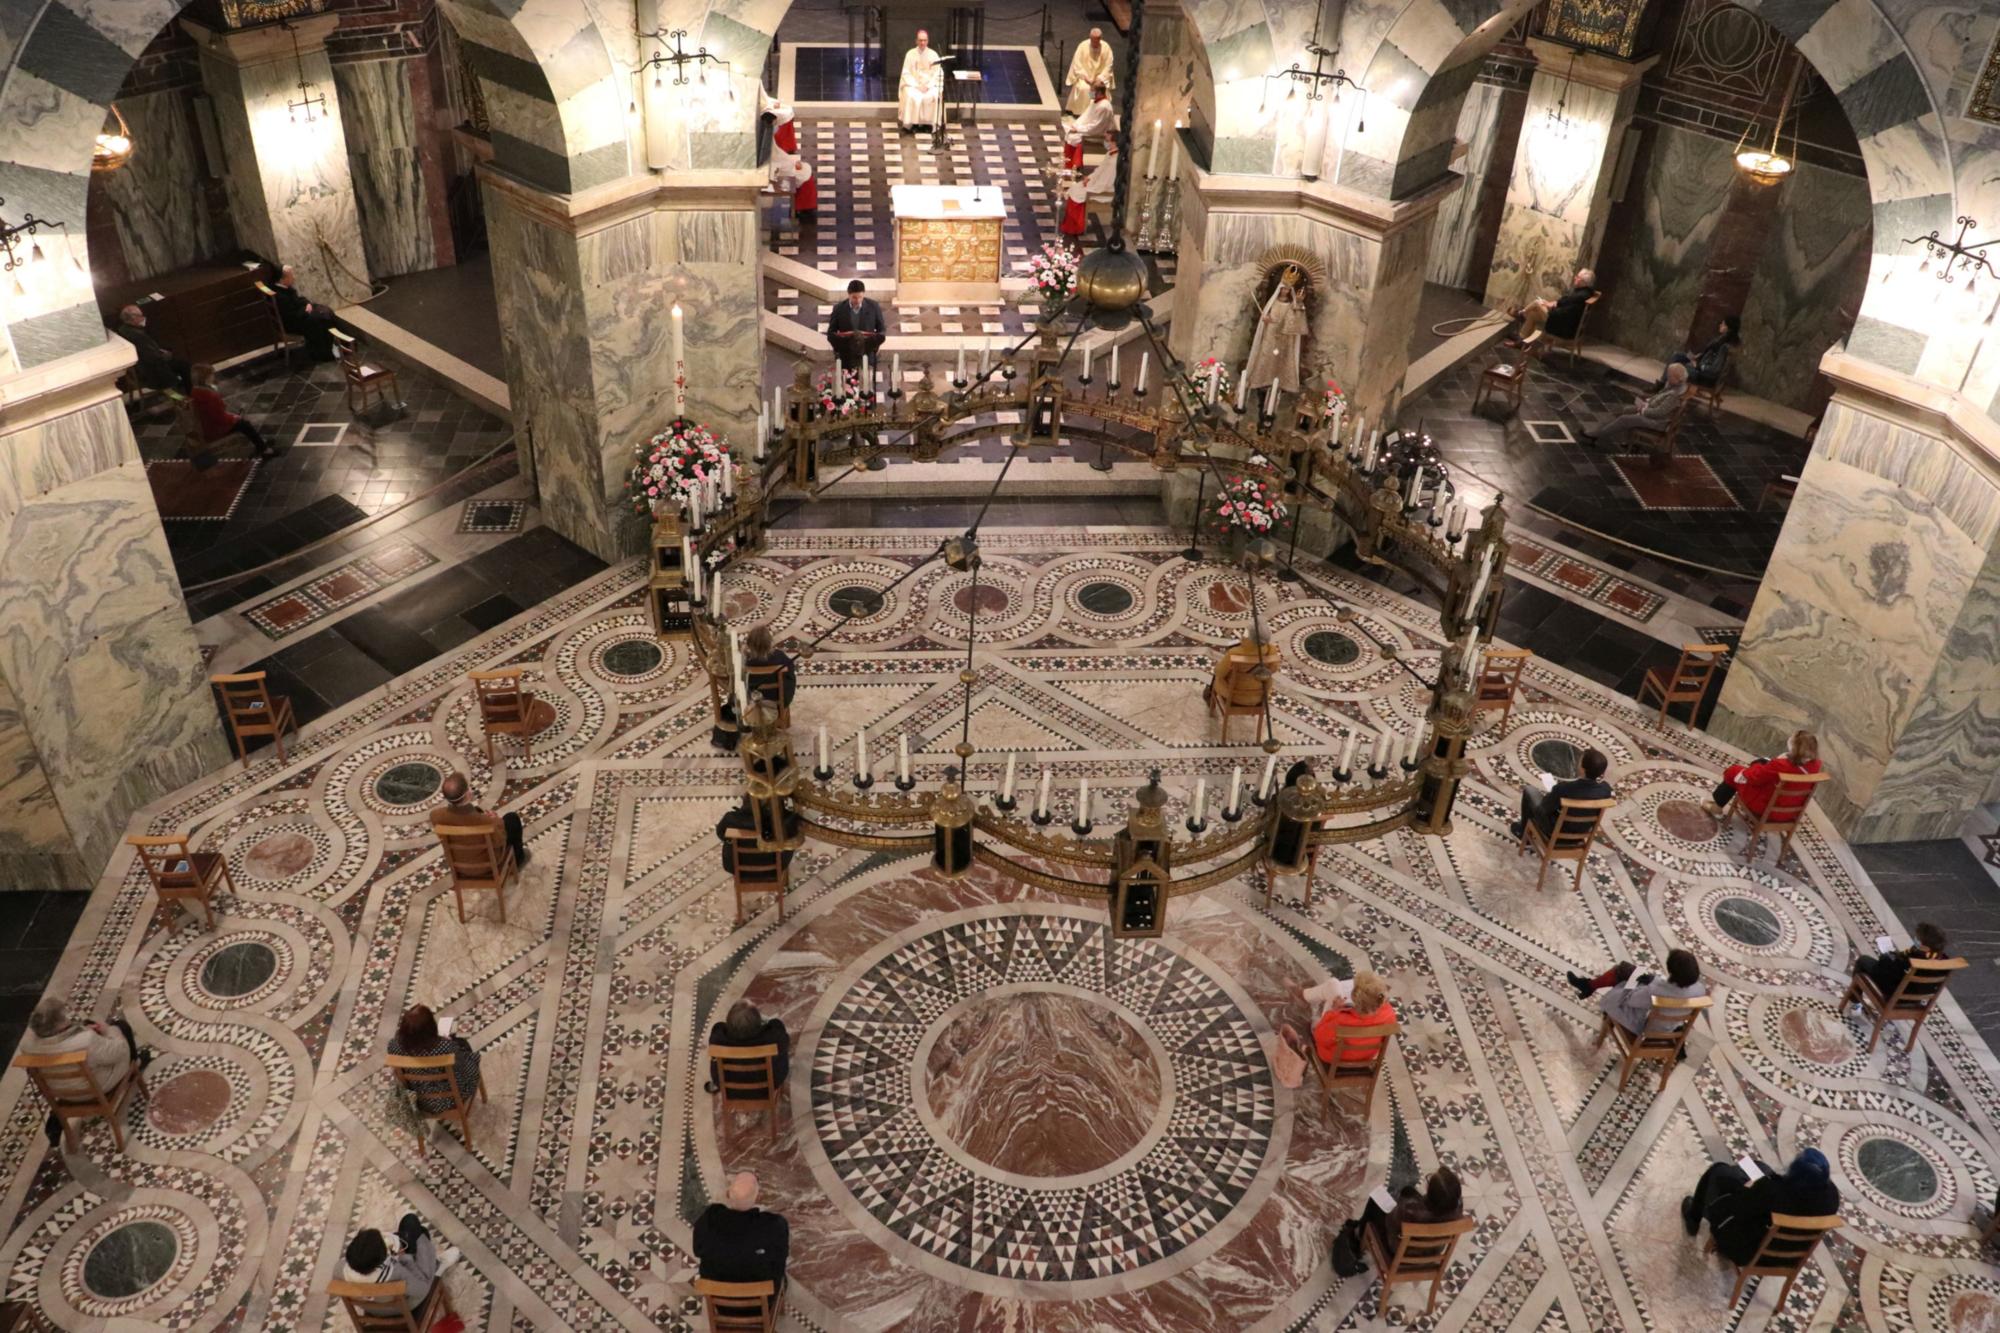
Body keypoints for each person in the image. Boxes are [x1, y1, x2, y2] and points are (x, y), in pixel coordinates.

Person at [20, 997, 149, 1145]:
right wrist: (108, 1031)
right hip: (98, 1088)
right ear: (59, 1023)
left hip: (62, 1094)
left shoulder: (27, 1047)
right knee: (121, 1027)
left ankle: (57, 1117)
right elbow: (118, 1051)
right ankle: (135, 1067)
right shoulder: (86, 1040)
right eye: (64, 1017)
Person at [1683, 1148, 1839, 1264]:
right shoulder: (1832, 1197)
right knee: (1760, 1166)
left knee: (1718, 1170)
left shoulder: (1772, 1191)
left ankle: (1693, 1217)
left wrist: (1748, 1188)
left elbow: (1739, 1207)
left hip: (1750, 1251)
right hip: (1787, 1256)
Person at [1566, 948, 1705, 1040]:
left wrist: (1641, 984)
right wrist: (1653, 981)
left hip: (1645, 1029)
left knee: (1621, 976)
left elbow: (1630, 1000)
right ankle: (1588, 986)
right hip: (1669, 1026)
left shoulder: (1654, 991)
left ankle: (1588, 986)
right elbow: (1672, 991)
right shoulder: (1699, 990)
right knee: (1626, 969)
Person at [343, 1213, 459, 1313]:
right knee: (413, 1224)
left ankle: (423, 1247)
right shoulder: (396, 1272)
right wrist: (403, 1257)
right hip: (403, 1307)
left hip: (374, 1310)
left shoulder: (342, 1270)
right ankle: (437, 1266)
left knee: (410, 1230)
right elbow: (422, 1289)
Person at [692, 1172, 790, 1289]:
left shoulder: (710, 1218)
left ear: (728, 1194)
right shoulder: (775, 1225)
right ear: (758, 1198)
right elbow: (781, 1257)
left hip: (719, 1294)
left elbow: (697, 1250)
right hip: (763, 1297)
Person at [1703, 730, 1820, 819]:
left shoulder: (1780, 765)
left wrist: (1756, 765)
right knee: (1759, 767)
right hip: (1788, 814)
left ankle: (1716, 808)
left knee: (1734, 771)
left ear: (1794, 747)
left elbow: (1754, 778)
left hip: (1765, 809)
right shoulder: (1816, 765)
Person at [388, 1003, 480, 1115]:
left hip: (419, 1100)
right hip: (451, 1099)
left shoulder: (393, 1046)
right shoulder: (445, 1047)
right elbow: (463, 1068)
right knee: (465, 1049)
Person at [1511, 746, 1611, 842]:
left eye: (1579, 761)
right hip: (1580, 834)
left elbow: (1544, 808)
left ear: (1582, 769)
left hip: (1556, 832)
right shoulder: (1605, 790)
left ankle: (1523, 833)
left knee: (1530, 791)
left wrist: (1553, 793)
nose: (1577, 763)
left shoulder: (1565, 788)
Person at [1360, 1165, 1463, 1257]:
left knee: (1375, 1202)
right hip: (1431, 1253)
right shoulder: (1457, 1209)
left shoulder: (1410, 1210)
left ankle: (1358, 1239)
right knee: (1409, 1190)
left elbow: (1390, 1222)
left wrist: (1399, 1204)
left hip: (1400, 1253)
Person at [430, 771, 527, 867]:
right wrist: (496, 820)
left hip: (460, 866)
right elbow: (500, 840)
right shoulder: (484, 821)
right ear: (468, 793)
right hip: (486, 867)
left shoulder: (435, 816)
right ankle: (518, 859)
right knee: (512, 819)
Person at [1584, 362, 1689, 449]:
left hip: (1657, 422)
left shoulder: (1674, 395)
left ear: (1677, 378)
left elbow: (1659, 413)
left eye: (1669, 375)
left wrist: (1643, 410)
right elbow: (1658, 397)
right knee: (1627, 409)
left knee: (1624, 419)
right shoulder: (1672, 384)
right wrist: (1647, 402)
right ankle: (1628, 442)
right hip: (1651, 410)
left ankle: (1597, 435)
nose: (1667, 376)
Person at [188, 364, 277, 463]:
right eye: (211, 374)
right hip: (215, 428)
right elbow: (220, 418)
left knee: (242, 421)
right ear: (205, 377)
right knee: (245, 424)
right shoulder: (209, 396)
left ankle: (260, 442)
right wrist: (235, 417)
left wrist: (231, 415)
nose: (213, 376)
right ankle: (264, 449)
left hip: (207, 424)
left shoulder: (195, 391)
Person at [705, 1000, 791, 1093]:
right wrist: (771, 1024)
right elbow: (785, 1039)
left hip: (729, 1088)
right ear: (759, 1023)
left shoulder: (718, 1038)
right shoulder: (774, 1038)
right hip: (767, 1087)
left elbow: (719, 1027)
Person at [1313, 970, 1394, 1064]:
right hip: (1365, 1057)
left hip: (1334, 1058)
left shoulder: (1341, 1020)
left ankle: (1304, 995)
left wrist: (1333, 1011)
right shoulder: (1389, 1014)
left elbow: (1319, 1037)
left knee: (1332, 989)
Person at [1850, 921, 1948, 996]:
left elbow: (1893, 967)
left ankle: (1855, 1003)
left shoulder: (1916, 958)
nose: (1915, 940)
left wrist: (1887, 957)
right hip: (1916, 999)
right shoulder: (1943, 961)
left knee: (1863, 961)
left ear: (1926, 947)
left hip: (1897, 994)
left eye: (1918, 939)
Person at [271, 263, 343, 361]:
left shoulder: (282, 287)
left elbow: (297, 299)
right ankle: (325, 352)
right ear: (282, 279)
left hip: (299, 314)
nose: (294, 278)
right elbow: (290, 316)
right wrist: (306, 311)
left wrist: (307, 304)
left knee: (325, 310)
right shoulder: (280, 296)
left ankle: (337, 344)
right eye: (291, 276)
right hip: (294, 322)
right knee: (321, 318)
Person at [1509, 268, 1597, 348]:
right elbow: (1565, 302)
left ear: (1584, 282)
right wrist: (1554, 304)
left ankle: (1521, 314)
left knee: (1537, 303)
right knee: (1533, 314)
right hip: (1562, 320)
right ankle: (1521, 342)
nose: (1575, 278)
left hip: (1562, 326)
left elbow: (1565, 311)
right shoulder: (1585, 293)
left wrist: (1551, 308)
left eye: (1578, 277)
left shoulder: (1580, 296)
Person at [113, 303, 191, 391]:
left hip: (140, 368)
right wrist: (166, 355)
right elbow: (154, 358)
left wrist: (158, 351)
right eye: (141, 316)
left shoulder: (123, 330)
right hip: (153, 372)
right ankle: (189, 392)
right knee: (184, 365)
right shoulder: (138, 335)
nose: (143, 318)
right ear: (133, 318)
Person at [1202, 634, 1281, 714]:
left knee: (1218, 673)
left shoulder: (1235, 652)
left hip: (1234, 696)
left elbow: (1219, 672)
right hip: (1259, 697)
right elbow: (1272, 671)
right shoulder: (1272, 651)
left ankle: (1209, 697)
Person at [716, 797, 798, 873]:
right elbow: (792, 844)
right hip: (776, 869)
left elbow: (720, 834)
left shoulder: (730, 818)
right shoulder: (786, 821)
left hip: (734, 868)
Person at [1659, 315, 1740, 389]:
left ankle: (1665, 390)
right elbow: (1710, 356)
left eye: (1723, 324)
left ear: (1728, 328)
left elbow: (1714, 370)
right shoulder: (1721, 340)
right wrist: (1699, 356)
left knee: (1675, 367)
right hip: (1701, 366)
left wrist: (1698, 365)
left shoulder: (1724, 346)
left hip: (1704, 376)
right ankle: (1662, 385)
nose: (1720, 325)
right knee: (1677, 355)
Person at [826, 279, 886, 377]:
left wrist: (873, 345)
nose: (857, 301)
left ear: (863, 294)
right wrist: (842, 345)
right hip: (846, 354)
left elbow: (882, 331)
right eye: (854, 297)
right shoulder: (839, 308)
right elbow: (831, 333)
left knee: (867, 386)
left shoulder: (873, 307)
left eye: (860, 297)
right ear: (848, 294)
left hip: (867, 352)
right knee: (847, 386)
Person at [897, 29, 944, 133]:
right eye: (920, 40)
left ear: (928, 41)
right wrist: (916, 85)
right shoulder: (910, 54)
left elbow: (937, 73)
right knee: (911, 95)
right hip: (913, 85)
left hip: (928, 86)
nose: (922, 43)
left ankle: (928, 124)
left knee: (933, 96)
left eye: (925, 40)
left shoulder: (933, 55)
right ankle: (911, 124)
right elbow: (906, 72)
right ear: (916, 41)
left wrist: (928, 86)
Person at [1063, 28, 1116, 116]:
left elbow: (1108, 66)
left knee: (1098, 89)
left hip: (1100, 78)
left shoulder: (1106, 47)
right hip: (1085, 77)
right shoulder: (1083, 46)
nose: (1095, 43)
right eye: (1093, 41)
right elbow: (1077, 63)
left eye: (1097, 41)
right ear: (1090, 38)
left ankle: (1096, 112)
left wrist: (1099, 78)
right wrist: (1086, 78)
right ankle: (1082, 112)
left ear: (1100, 39)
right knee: (1085, 89)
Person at [1063, 82, 1115, 171]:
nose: (1089, 93)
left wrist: (1078, 129)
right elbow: (1085, 117)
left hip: (1098, 133)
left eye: (1092, 91)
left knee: (1074, 137)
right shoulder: (1095, 102)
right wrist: (1075, 126)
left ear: (1099, 93)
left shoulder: (1104, 107)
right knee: (1070, 133)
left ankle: (1075, 167)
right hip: (1089, 129)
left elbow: (1096, 126)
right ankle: (1069, 166)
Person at [742, 625, 797, 707]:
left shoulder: (746, 661)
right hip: (776, 699)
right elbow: (790, 671)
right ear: (769, 642)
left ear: (749, 643)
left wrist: (743, 652)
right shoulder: (779, 656)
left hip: (753, 699)